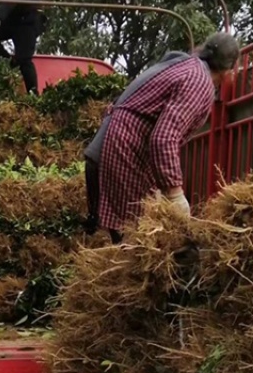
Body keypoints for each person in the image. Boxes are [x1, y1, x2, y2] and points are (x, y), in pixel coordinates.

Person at [96, 32, 241, 241]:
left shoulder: (187, 65)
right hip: (128, 147)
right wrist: (175, 194)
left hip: (123, 140)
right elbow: (164, 138)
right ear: (229, 69)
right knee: (137, 234)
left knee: (134, 230)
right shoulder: (199, 82)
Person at [84, 50, 189, 232]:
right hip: (107, 159)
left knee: (107, 221)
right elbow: (162, 140)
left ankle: (96, 225)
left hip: (95, 160)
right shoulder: (140, 109)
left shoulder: (140, 91)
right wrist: (173, 195)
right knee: (127, 224)